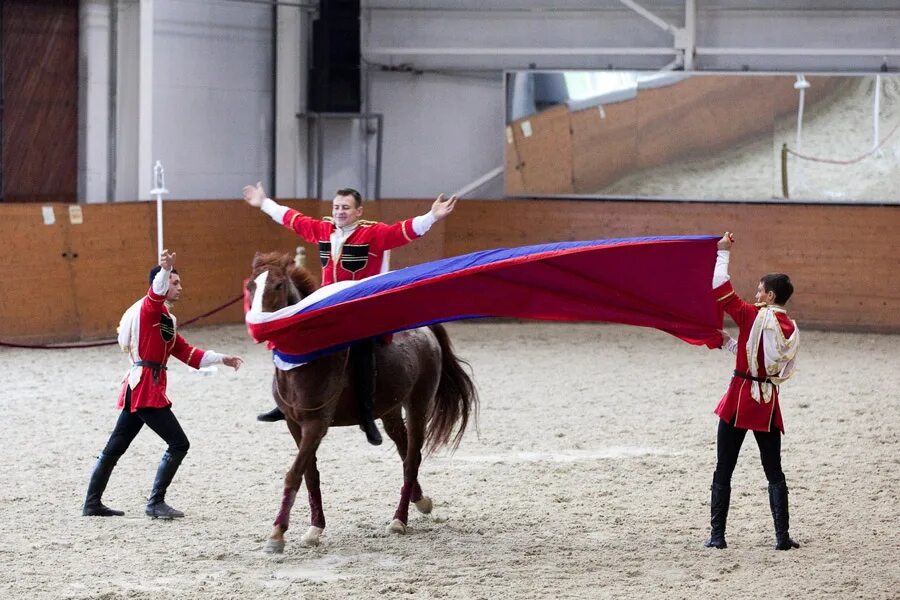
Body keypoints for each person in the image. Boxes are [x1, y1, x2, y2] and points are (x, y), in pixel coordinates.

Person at [242, 182, 458, 445]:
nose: (339, 212)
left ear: (358, 212)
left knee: (362, 349)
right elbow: (293, 219)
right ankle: (286, 403)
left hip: (363, 307)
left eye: (345, 207)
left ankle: (367, 413)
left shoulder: (373, 234)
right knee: (292, 337)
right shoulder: (323, 230)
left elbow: (405, 232)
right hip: (329, 306)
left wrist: (432, 216)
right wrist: (264, 202)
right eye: (336, 207)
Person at [82, 250, 243, 519]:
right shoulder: (151, 308)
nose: (180, 287)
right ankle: (155, 502)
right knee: (179, 443)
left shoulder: (165, 320)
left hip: (141, 387)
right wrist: (164, 269)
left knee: (116, 446)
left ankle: (92, 503)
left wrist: (222, 358)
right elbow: (156, 293)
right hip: (146, 389)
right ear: (162, 283)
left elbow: (187, 353)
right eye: (175, 283)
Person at [704, 232, 800, 551]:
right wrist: (730, 343)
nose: (756, 293)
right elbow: (764, 360)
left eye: (760, 289)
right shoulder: (790, 329)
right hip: (768, 403)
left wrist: (723, 252)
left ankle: (718, 536)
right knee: (774, 470)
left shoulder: (752, 315)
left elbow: (720, 287)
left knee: (724, 467)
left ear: (770, 295)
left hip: (740, 398)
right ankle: (782, 537)